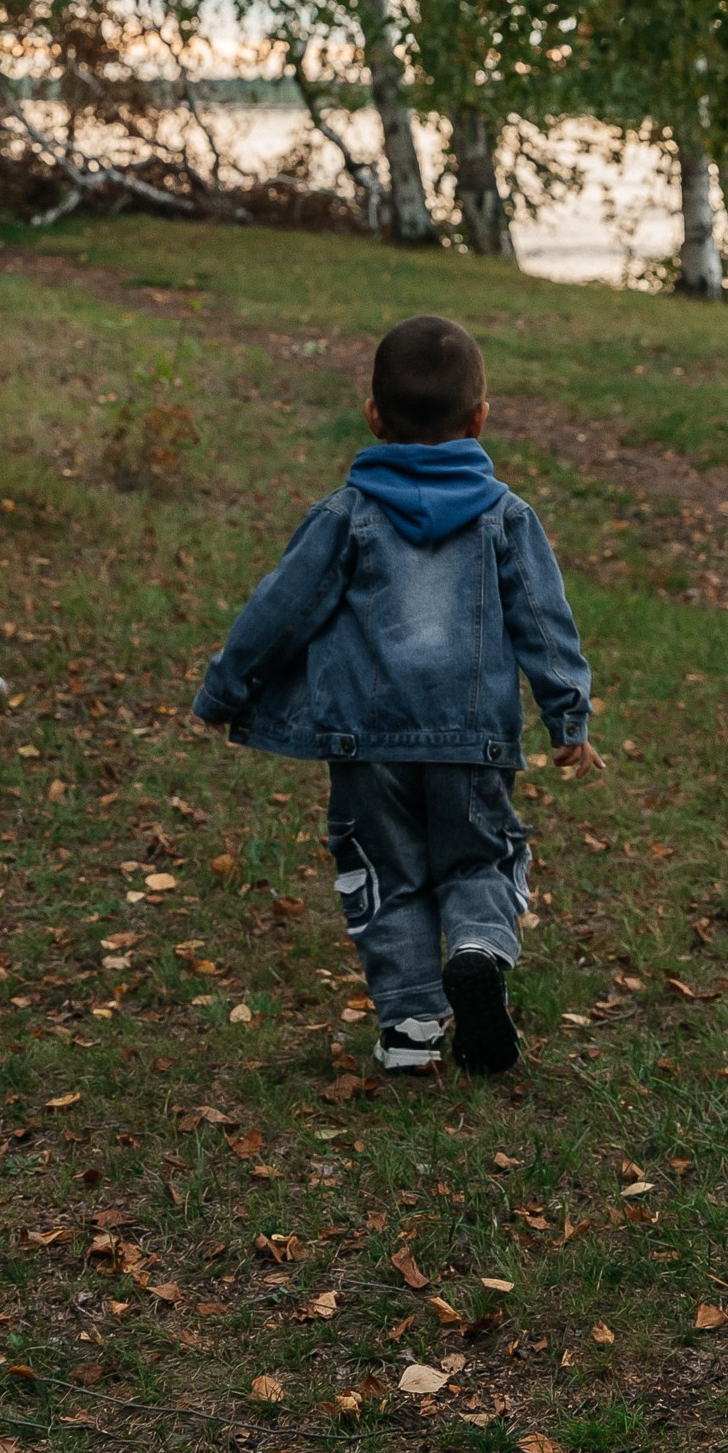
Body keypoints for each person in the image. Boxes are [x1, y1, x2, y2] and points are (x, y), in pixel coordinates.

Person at [191, 312, 595, 1077]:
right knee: (479, 858)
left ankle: (409, 1029)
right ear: (479, 418)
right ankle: (476, 948)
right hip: (471, 738)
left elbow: (278, 611)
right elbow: (545, 623)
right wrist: (566, 715)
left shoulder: (345, 517)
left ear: (373, 415)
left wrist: (224, 691)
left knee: (385, 870)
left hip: (365, 741)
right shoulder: (506, 520)